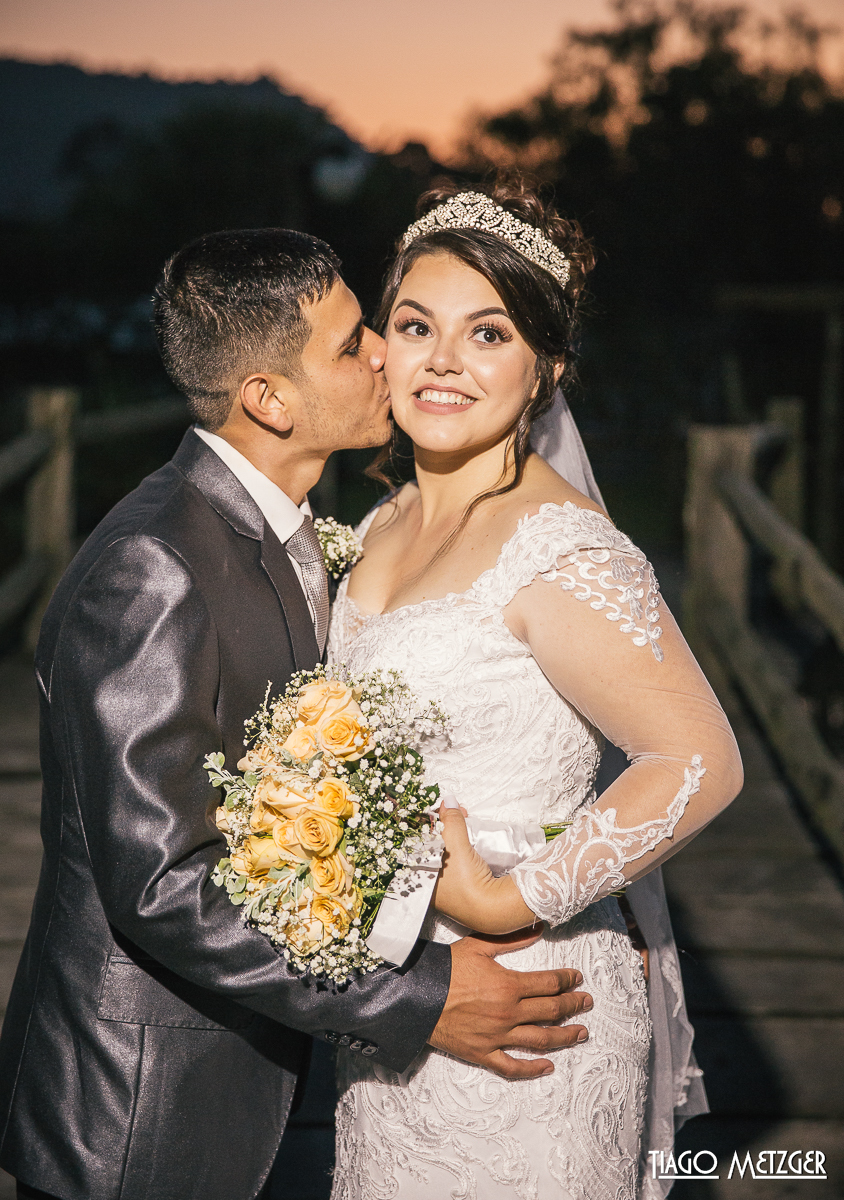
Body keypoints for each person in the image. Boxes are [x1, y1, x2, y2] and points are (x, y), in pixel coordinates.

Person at [0, 228, 593, 1200]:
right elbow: (162, 886)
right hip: (136, 1112)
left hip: (247, 1078)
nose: (383, 357)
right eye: (353, 340)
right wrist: (416, 1003)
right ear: (267, 401)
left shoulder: (291, 534)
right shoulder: (151, 570)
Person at [326, 181, 744, 1200]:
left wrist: (511, 903)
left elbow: (700, 763)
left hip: (528, 1008)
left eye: (489, 333)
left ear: (545, 366)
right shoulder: (376, 526)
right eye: (417, 325)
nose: (442, 361)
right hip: (397, 1000)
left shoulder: (560, 552)